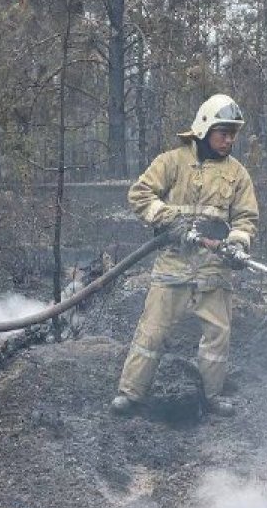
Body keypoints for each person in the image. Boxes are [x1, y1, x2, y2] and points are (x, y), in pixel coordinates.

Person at [110, 94, 259, 417]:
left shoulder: (237, 174)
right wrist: (169, 219)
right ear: (204, 128)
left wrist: (237, 243)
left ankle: (211, 396)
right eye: (224, 132)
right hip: (173, 262)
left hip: (214, 267)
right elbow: (140, 194)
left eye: (233, 133)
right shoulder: (171, 162)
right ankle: (131, 393)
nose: (229, 139)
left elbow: (246, 218)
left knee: (218, 335)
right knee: (151, 331)